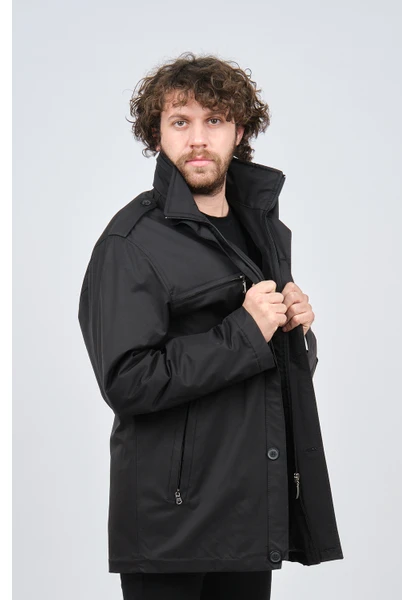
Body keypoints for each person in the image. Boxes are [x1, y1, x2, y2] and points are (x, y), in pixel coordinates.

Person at [78, 52, 343, 600]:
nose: (198, 139)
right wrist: (246, 331)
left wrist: (295, 335)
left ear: (238, 131)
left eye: (214, 120)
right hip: (170, 526)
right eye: (180, 121)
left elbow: (267, 375)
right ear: (157, 134)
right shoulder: (130, 242)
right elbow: (126, 381)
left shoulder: (261, 231)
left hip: (249, 514)